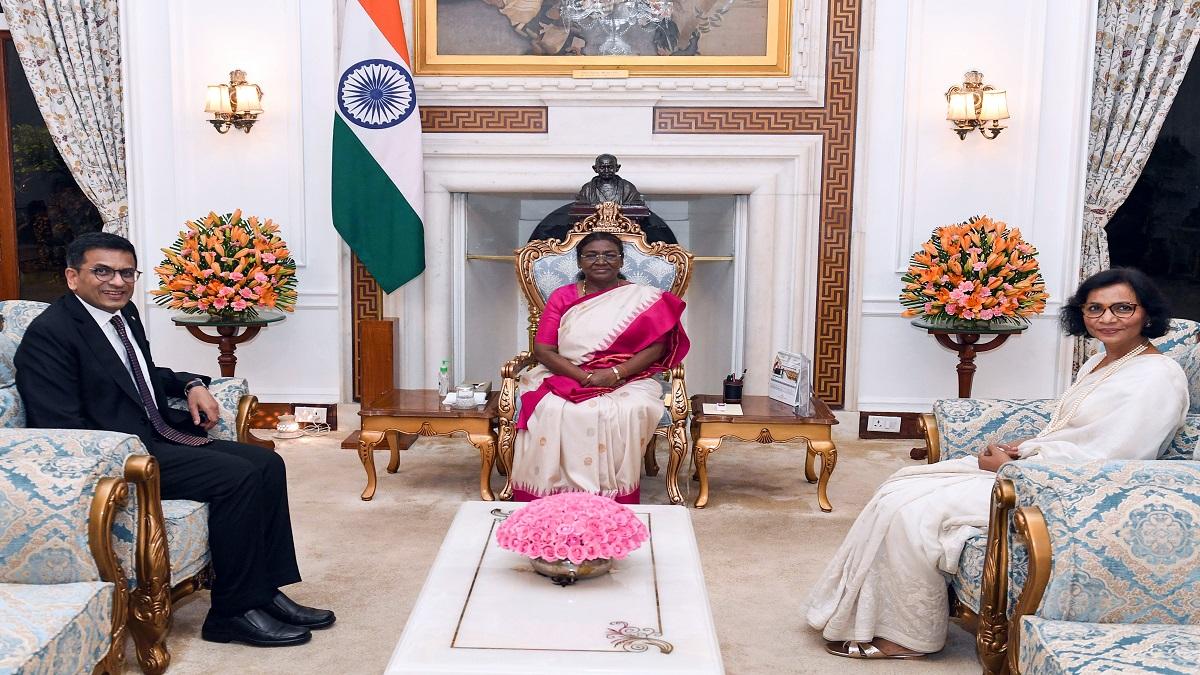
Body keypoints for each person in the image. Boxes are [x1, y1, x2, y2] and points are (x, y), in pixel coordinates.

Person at [806, 267, 1189, 659]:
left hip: (1066, 491)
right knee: (901, 484)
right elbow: (1077, 429)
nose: (1107, 319)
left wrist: (1011, 466)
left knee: (914, 512)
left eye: (1122, 308)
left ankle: (910, 637)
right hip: (1036, 468)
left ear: (1146, 313)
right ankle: (860, 615)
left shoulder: (1157, 375)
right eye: (1095, 309)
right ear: (1082, 314)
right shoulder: (1098, 363)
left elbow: (1113, 456)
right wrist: (1026, 445)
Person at [14, 232, 334, 648]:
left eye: (127, 272)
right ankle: (231, 614)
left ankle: (263, 592)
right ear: (73, 277)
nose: (117, 282)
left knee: (267, 463)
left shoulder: (123, 314)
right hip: (113, 457)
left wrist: (192, 383)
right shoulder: (51, 334)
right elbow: (59, 425)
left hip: (153, 435)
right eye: (102, 271)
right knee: (235, 476)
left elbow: (140, 374)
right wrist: (126, 450)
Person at [511, 232, 690, 503]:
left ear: (621, 261)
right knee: (552, 408)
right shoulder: (563, 296)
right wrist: (584, 377)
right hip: (567, 371)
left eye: (609, 255)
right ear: (580, 262)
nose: (600, 261)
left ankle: (611, 491)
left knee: (629, 409)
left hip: (629, 376)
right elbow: (543, 350)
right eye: (591, 255)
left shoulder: (643, 299)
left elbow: (656, 348)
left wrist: (615, 374)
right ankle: (557, 492)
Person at [575, 154, 646, 206]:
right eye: (602, 167)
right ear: (595, 169)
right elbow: (581, 205)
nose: (606, 170)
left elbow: (637, 205)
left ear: (617, 168)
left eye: (610, 167)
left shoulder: (628, 188)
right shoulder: (587, 189)